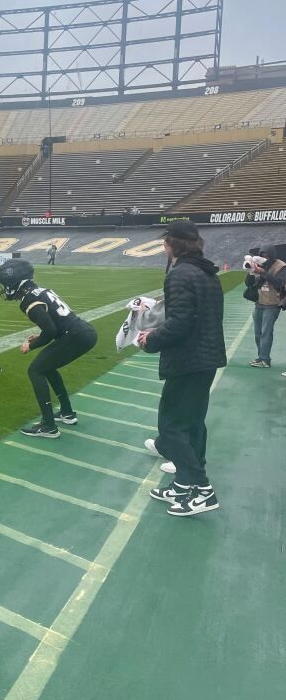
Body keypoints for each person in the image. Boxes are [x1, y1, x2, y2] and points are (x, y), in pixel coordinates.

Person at [136, 220, 226, 517]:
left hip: (188, 360)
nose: (163, 247)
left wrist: (149, 339)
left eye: (165, 242)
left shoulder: (181, 274)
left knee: (172, 426)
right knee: (193, 424)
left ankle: (201, 489)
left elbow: (180, 324)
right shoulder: (206, 271)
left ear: (173, 244)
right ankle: (185, 481)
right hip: (206, 357)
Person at [0, 258, 97, 438]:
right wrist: (40, 335)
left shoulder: (29, 300)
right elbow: (53, 325)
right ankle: (66, 413)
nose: (4, 288)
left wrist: (31, 344)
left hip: (75, 336)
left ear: (14, 282)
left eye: (5, 284)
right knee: (47, 367)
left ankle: (48, 425)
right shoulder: (40, 291)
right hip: (81, 332)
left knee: (35, 370)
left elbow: (50, 331)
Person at [245, 245, 286, 368]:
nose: (264, 258)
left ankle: (265, 359)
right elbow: (249, 284)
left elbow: (280, 284)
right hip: (259, 302)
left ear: (272, 255)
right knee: (258, 333)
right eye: (262, 255)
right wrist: (250, 272)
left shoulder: (281, 266)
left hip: (272, 304)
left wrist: (264, 273)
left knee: (266, 333)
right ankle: (261, 357)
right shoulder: (258, 263)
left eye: (267, 256)